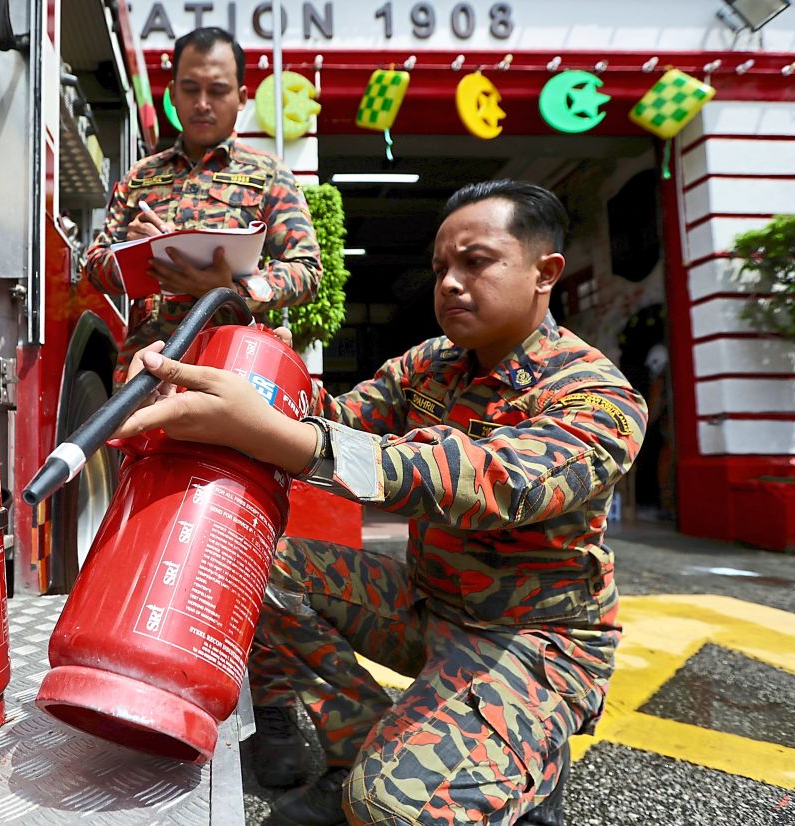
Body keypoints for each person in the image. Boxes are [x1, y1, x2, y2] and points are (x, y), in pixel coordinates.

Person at [113, 180, 648, 825]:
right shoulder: (431, 367)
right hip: (428, 604)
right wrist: (219, 335)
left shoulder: (596, 394)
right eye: (441, 268)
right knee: (253, 570)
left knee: (391, 809)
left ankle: (518, 764)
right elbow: (321, 416)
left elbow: (500, 483)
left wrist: (296, 440)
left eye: (475, 262)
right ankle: (358, 750)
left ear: (545, 272)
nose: (450, 282)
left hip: (530, 637)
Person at [83, 26, 322, 386]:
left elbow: (306, 271)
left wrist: (233, 290)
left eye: (218, 90)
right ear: (173, 93)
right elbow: (94, 264)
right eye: (191, 89)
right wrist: (132, 255)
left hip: (232, 373)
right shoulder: (140, 176)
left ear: (242, 97)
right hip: (145, 372)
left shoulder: (270, 174)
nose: (203, 103)